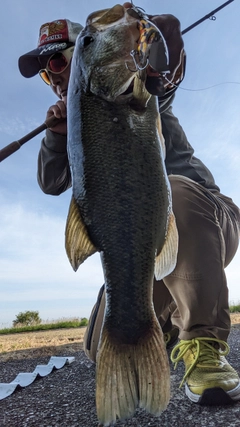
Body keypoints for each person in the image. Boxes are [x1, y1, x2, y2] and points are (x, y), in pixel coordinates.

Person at [18, 3, 240, 407]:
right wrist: (57, 134)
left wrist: (157, 38)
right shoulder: (73, 126)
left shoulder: (138, 85)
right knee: (105, 340)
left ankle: (204, 344)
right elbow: (51, 183)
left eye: (59, 61)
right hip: (146, 247)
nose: (53, 77)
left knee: (177, 190)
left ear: (91, 51)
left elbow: (166, 68)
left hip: (206, 220)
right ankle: (167, 323)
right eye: (46, 73)